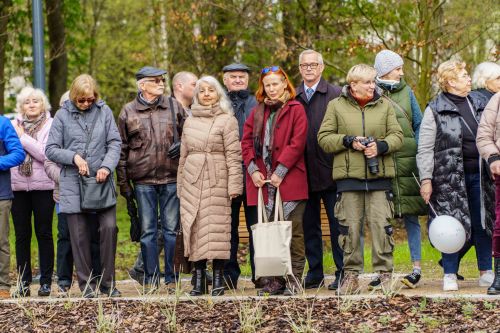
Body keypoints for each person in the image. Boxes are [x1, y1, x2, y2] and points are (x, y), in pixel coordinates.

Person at [318, 64, 403, 295]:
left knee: (381, 228)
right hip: (348, 180)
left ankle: (385, 275)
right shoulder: (335, 106)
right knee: (349, 230)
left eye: (373, 81)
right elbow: (324, 138)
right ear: (353, 84)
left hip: (380, 179)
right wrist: (348, 141)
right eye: (367, 82)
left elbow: (398, 136)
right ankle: (351, 277)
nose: (372, 86)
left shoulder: (384, 104)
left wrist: (381, 146)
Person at [417, 60, 494, 291]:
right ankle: (449, 273)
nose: (469, 78)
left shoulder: (480, 102)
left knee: (483, 222)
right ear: (450, 81)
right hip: (447, 178)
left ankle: (485, 271)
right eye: (463, 75)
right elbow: (425, 148)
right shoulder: (435, 108)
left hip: (481, 176)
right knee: (451, 225)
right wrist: (426, 179)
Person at [46, 74, 122, 298]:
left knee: (109, 228)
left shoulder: (104, 111)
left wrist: (107, 167)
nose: (86, 104)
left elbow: (114, 142)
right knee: (78, 236)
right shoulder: (62, 115)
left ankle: (108, 283)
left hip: (100, 182)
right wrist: (74, 158)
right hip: (73, 183)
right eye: (82, 100)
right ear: (73, 96)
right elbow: (50, 149)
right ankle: (86, 285)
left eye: (90, 99)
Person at [117, 66, 187, 290]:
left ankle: (171, 278)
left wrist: (183, 144)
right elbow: (121, 150)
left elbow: (191, 134)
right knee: (148, 232)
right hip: (143, 181)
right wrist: (124, 184)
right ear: (142, 85)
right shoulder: (128, 112)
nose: (161, 84)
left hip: (171, 177)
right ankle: (150, 277)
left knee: (171, 230)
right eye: (155, 81)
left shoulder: (174, 106)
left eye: (162, 80)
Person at [241, 66, 308, 296]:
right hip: (263, 183)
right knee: (270, 234)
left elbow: (297, 142)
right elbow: (246, 142)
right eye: (267, 85)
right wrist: (253, 170)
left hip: (290, 180)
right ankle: (274, 281)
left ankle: (294, 279)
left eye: (275, 84)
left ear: (284, 84)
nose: (271, 89)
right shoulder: (257, 112)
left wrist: (280, 171)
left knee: (293, 232)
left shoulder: (296, 108)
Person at [177, 75, 243, 296]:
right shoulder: (190, 120)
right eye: (202, 90)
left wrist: (234, 185)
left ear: (218, 94)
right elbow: (183, 156)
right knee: (194, 228)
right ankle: (197, 280)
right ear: (197, 95)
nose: (206, 94)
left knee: (217, 231)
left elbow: (234, 155)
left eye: (211, 90)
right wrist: (180, 184)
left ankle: (218, 280)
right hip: (193, 181)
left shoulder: (227, 119)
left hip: (218, 180)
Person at [374, 50, 426, 289]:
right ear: (385, 70)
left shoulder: (407, 92)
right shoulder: (371, 92)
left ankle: (416, 268)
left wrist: (417, 152)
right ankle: (383, 270)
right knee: (381, 218)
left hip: (407, 162)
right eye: (397, 68)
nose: (402, 72)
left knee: (411, 216)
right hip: (381, 162)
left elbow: (419, 123)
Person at [295, 49, 344, 291]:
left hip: (332, 172)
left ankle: (342, 272)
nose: (309, 68)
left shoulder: (335, 94)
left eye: (313, 64)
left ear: (322, 67)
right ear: (300, 69)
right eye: (304, 65)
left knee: (337, 226)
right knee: (309, 226)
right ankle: (315, 273)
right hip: (302, 173)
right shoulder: (292, 96)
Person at [446, 61, 500, 279]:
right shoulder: (488, 101)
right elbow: (484, 136)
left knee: (482, 221)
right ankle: (452, 267)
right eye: (497, 78)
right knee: (475, 221)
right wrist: (494, 157)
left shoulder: (480, 100)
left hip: (482, 170)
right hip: (468, 170)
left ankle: (479, 268)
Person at [44, 91, 101, 294]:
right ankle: (64, 280)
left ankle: (95, 278)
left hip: (90, 190)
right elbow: (49, 161)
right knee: (65, 237)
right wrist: (66, 178)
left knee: (93, 235)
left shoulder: (91, 123)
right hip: (64, 193)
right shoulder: (57, 127)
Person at [10, 87, 55, 298]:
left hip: (44, 186)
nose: (31, 104)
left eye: (35, 101)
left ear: (42, 104)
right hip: (18, 187)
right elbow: (12, 153)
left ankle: (46, 282)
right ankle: (23, 283)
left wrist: (23, 139)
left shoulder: (51, 124)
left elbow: (46, 153)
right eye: (27, 102)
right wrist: (20, 141)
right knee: (22, 235)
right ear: (21, 106)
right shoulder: (12, 125)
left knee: (44, 233)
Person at [221, 63, 258, 289]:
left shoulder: (257, 103)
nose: (237, 80)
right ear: (224, 80)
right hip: (226, 174)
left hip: (253, 173)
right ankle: (228, 275)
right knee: (228, 228)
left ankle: (260, 273)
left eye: (241, 77)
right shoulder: (217, 103)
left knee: (256, 227)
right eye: (233, 77)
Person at [477, 91, 500, 294]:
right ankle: (499, 276)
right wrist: (493, 158)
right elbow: (484, 135)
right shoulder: (497, 99)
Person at [0, 113, 25, 299]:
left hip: (1, 195)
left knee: (0, 241)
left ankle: (2, 285)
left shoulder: (2, 123)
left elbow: (18, 154)